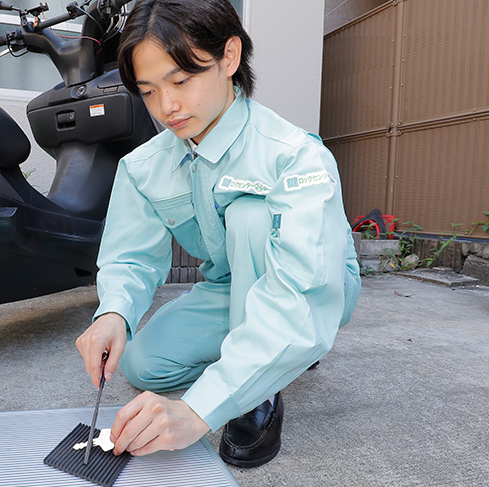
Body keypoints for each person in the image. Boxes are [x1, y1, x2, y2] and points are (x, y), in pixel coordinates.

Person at [75, 0, 362, 468]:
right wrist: (113, 313)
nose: (166, 107)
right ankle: (268, 350)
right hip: (228, 289)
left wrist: (198, 410)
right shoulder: (143, 166)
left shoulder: (293, 155)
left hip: (315, 286)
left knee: (251, 216)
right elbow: (130, 257)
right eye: (148, 91)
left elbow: (302, 288)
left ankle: (260, 388)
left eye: (181, 81)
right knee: (141, 364)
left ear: (229, 56)